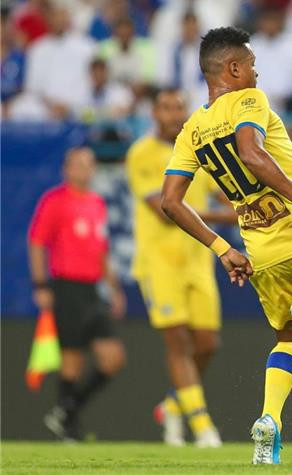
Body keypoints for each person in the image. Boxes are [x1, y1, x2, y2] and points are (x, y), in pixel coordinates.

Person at [160, 26, 292, 464]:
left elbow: (170, 202)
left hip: (259, 251)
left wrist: (221, 249)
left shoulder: (191, 129)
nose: (256, 70)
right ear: (232, 68)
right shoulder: (249, 99)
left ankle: (270, 420)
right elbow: (250, 151)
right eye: (250, 63)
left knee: (287, 337)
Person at [126, 90, 236, 447]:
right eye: (167, 108)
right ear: (153, 113)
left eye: (179, 108)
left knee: (207, 343)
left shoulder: (194, 151)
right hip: (160, 263)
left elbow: (226, 194)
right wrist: (226, 216)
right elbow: (167, 210)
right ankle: (203, 426)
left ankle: (174, 405)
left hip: (198, 259)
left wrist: (248, 202)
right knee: (177, 342)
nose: (174, 115)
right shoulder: (141, 154)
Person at [28, 147, 127, 441]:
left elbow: (101, 250)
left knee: (113, 357)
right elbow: (37, 242)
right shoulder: (54, 201)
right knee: (72, 358)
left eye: (88, 164)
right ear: (66, 170)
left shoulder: (96, 203)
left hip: (93, 289)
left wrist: (114, 288)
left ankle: (65, 412)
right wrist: (41, 285)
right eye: (77, 165)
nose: (84, 170)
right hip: (67, 286)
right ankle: (67, 425)